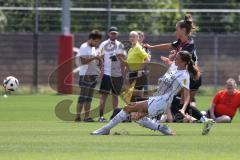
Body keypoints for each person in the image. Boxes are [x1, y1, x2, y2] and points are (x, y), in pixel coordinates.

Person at [91, 51, 214, 136]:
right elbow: (171, 63)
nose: (174, 59)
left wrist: (183, 108)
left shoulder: (184, 76)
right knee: (136, 117)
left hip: (162, 101)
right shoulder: (175, 66)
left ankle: (105, 129)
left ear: (183, 62)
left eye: (177, 59)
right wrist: (169, 59)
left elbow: (186, 96)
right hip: (157, 98)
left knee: (129, 108)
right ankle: (163, 129)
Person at [145, 14, 202, 122]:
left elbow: (182, 61)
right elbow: (168, 46)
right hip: (185, 76)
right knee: (178, 101)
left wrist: (171, 58)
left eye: (177, 29)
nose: (175, 32)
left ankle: (157, 117)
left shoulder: (189, 44)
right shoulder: (180, 41)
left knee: (169, 96)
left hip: (191, 76)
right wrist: (152, 47)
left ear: (183, 30)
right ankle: (197, 118)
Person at [97, 26, 126, 122]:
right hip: (107, 73)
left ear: (117, 34)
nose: (113, 35)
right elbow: (98, 56)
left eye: (115, 33)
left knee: (115, 95)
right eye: (112, 33)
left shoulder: (120, 45)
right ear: (108, 34)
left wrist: (123, 73)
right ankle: (101, 116)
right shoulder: (104, 44)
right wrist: (101, 67)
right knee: (104, 95)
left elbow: (124, 60)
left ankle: (115, 116)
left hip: (117, 74)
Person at [75, 30, 102, 122]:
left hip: (93, 74)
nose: (97, 43)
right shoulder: (84, 47)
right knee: (83, 96)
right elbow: (83, 62)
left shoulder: (93, 48)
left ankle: (87, 117)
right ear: (91, 39)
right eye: (95, 41)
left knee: (89, 97)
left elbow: (93, 61)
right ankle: (77, 117)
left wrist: (98, 60)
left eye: (98, 41)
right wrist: (95, 57)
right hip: (85, 75)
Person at [119, 31, 150, 102]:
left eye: (134, 36)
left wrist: (140, 70)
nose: (132, 38)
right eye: (131, 36)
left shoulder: (138, 47)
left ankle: (142, 110)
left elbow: (147, 59)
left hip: (138, 74)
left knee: (136, 96)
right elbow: (128, 64)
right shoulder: (130, 49)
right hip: (132, 74)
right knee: (132, 96)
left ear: (137, 38)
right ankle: (134, 111)